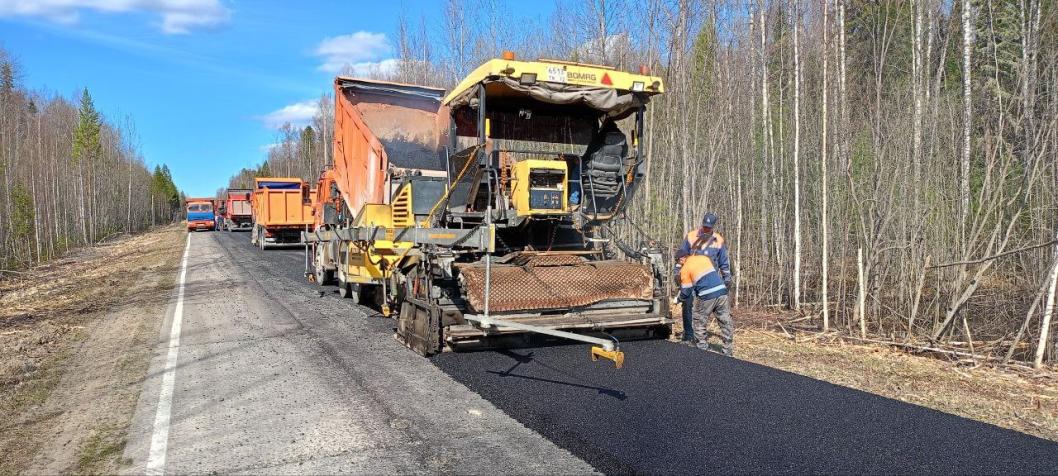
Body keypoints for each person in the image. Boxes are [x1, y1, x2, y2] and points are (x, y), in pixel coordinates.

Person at [674, 212, 734, 355]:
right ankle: (689, 335)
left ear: (713, 227)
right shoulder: (691, 236)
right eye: (705, 226)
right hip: (703, 283)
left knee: (701, 318)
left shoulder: (718, 240)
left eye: (709, 227)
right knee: (689, 307)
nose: (706, 229)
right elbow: (682, 255)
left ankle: (702, 350)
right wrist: (677, 274)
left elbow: (723, 262)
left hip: (707, 286)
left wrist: (727, 278)